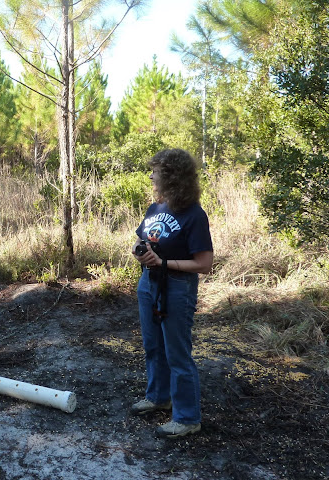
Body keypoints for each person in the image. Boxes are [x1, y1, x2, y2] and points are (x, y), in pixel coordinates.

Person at [130, 148, 214, 439]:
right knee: (153, 346)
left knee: (177, 353)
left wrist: (164, 262)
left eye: (155, 172)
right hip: (148, 282)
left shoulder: (194, 215)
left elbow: (204, 264)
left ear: (172, 176)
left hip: (177, 287)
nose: (151, 177)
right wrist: (139, 251)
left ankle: (188, 418)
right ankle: (158, 397)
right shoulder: (155, 209)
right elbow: (140, 239)